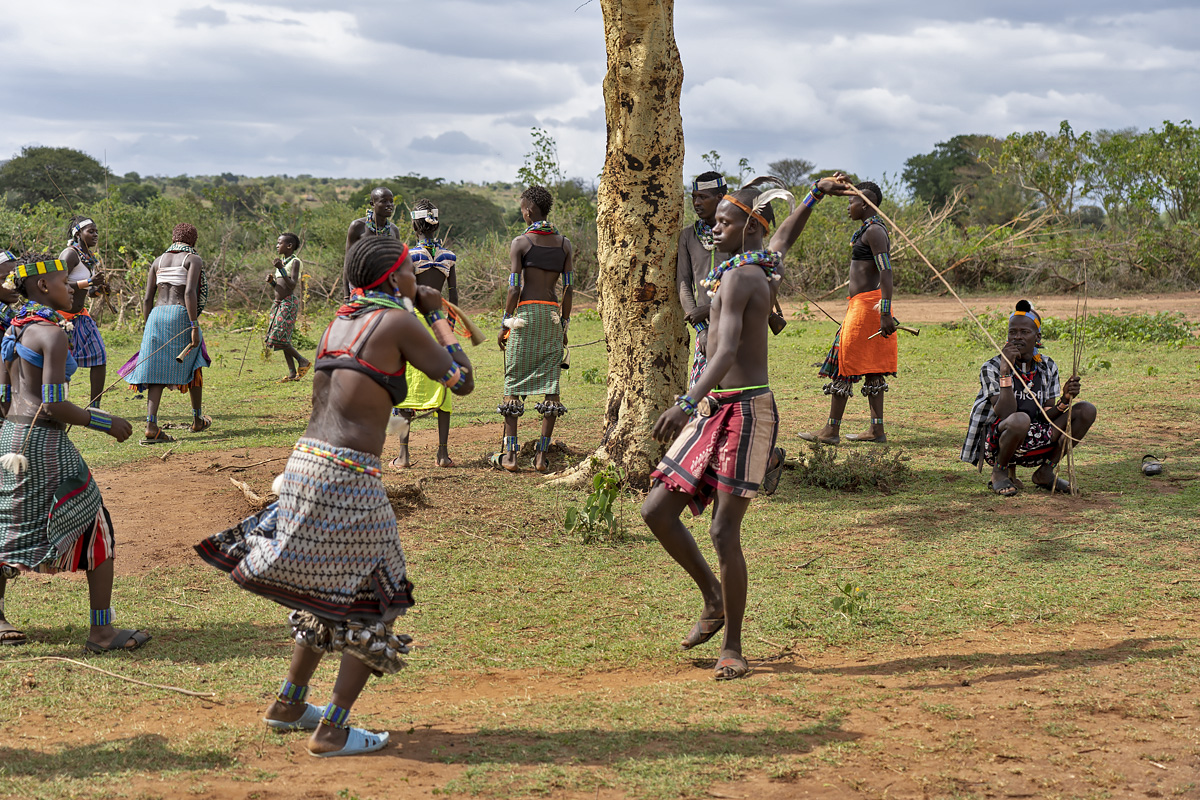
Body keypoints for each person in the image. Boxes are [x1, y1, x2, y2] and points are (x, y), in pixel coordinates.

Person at [196, 236, 474, 757]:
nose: (420, 279)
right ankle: (334, 729)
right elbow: (461, 381)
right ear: (395, 279)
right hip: (347, 474)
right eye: (412, 271)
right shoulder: (398, 321)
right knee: (378, 595)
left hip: (304, 464)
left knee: (333, 589)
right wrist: (437, 317)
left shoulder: (341, 320)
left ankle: (290, 703)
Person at [640, 176, 833, 681]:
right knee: (657, 510)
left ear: (748, 225)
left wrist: (685, 401)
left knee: (724, 530)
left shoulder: (742, 278)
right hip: (717, 409)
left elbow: (724, 352)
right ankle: (713, 596)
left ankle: (734, 646)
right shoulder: (761, 263)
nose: (713, 227)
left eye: (724, 221)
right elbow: (785, 236)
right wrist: (813, 195)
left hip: (744, 410)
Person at [0, 252, 147, 651]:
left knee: (7, 528)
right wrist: (105, 422)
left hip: (10, 438)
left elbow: (1, 396)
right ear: (44, 286)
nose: (71, 286)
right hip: (44, 441)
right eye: (65, 280)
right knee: (97, 525)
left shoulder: (14, 329)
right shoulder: (52, 333)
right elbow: (53, 405)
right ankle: (101, 632)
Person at [961, 300, 1097, 496]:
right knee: (1020, 419)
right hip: (998, 439)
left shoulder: (1047, 366)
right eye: (1012, 332)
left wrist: (1065, 399)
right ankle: (999, 472)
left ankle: (1046, 472)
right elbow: (1005, 413)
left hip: (1036, 435)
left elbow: (1046, 416)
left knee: (1086, 410)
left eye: (1024, 332)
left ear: (1037, 337)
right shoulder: (991, 367)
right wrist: (1006, 370)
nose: (1017, 337)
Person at [798, 180, 898, 446]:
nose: (848, 207)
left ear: (865, 205)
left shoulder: (875, 231)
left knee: (845, 363)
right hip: (862, 305)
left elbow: (886, 272)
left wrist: (885, 312)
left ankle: (831, 431)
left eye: (851, 202)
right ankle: (877, 430)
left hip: (867, 307)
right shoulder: (868, 230)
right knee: (871, 365)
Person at [494, 185, 572, 473]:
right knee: (551, 385)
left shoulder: (521, 243)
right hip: (552, 316)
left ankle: (511, 457)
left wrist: (505, 321)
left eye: (522, 207)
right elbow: (570, 287)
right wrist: (563, 325)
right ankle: (541, 457)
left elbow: (514, 288)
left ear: (528, 210)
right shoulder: (564, 244)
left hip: (525, 315)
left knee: (513, 382)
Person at [122, 223, 212, 444]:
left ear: (173, 239)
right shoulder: (193, 260)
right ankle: (197, 419)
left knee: (154, 369)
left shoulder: (158, 261)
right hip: (180, 314)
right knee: (195, 362)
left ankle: (151, 425)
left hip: (156, 316)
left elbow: (146, 299)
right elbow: (190, 293)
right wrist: (193, 325)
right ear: (193, 241)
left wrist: (148, 327)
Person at [391, 199, 459, 469]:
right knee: (443, 383)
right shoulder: (449, 257)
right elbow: (453, 297)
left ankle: (404, 456)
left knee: (406, 386)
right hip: (441, 322)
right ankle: (442, 455)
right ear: (436, 225)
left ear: (414, 225)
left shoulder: (408, 255)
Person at [678, 172, 738, 387]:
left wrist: (710, 308)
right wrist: (701, 329)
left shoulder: (737, 233)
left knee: (734, 395)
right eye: (694, 197)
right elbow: (683, 283)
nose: (696, 202)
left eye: (703, 197)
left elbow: (745, 283)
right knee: (703, 398)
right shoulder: (688, 236)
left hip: (737, 323)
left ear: (721, 198)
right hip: (706, 330)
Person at [59, 216, 109, 406]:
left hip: (81, 316)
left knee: (99, 357)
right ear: (78, 234)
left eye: (96, 231)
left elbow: (87, 292)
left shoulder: (88, 257)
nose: (95, 235)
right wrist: (88, 282)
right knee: (61, 365)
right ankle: (59, 406)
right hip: (61, 318)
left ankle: (94, 407)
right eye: (91, 231)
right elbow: (58, 283)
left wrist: (98, 290)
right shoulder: (70, 254)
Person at [265, 232, 311, 382]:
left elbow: (291, 285)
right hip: (278, 303)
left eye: (280, 243)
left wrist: (282, 269)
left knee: (279, 337)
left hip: (288, 303)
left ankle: (302, 360)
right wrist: (272, 282)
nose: (277, 246)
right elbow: (280, 287)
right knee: (282, 339)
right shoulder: (282, 262)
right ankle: (292, 373)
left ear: (289, 246)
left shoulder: (295, 262)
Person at [342, 188, 401, 300]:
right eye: (384, 201)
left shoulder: (394, 230)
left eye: (391, 201)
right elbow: (348, 261)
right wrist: (346, 296)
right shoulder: (358, 226)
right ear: (372, 204)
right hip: (360, 290)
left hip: (386, 290)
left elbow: (397, 265)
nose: (389, 205)